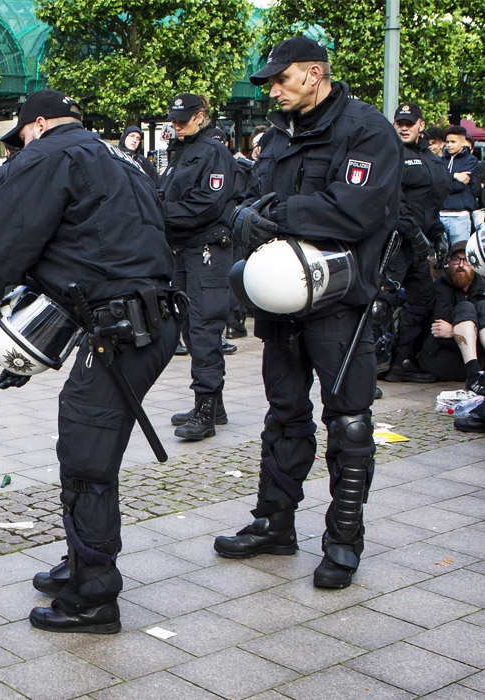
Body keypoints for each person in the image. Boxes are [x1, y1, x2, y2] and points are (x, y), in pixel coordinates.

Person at [0, 89, 180, 634]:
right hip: (146, 317)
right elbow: (91, 254)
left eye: (20, 139)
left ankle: (94, 595)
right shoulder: (117, 157)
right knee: (84, 439)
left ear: (36, 125)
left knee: (86, 457)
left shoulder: (48, 155)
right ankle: (81, 561)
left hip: (121, 329)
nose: (18, 150)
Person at [214, 37, 400, 590]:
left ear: (314, 74)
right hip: (281, 300)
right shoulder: (277, 135)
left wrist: (277, 213)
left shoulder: (365, 130)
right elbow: (248, 200)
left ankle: (343, 541)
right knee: (284, 414)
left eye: (281, 79)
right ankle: (274, 521)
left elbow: (355, 209)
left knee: (347, 421)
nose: (274, 89)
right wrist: (247, 217)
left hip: (340, 302)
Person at [159, 93, 241, 441]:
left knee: (205, 327)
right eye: (173, 120)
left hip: (207, 248)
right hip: (185, 249)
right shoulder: (183, 152)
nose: (177, 125)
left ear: (201, 116)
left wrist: (158, 213)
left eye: (183, 119)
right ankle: (211, 405)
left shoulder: (213, 151)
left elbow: (206, 203)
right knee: (191, 327)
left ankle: (206, 410)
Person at [381, 102, 450, 384]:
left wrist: (437, 232)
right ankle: (367, 369)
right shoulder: (390, 153)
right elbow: (394, 201)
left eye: (410, 123)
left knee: (421, 300)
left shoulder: (430, 157)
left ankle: (402, 362)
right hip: (395, 243)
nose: (405, 127)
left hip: (420, 245)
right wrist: (415, 234)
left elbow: (428, 204)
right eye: (400, 123)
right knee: (379, 305)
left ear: (421, 124)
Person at [417, 241, 485, 386]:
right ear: (449, 262)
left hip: (477, 359)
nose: (461, 265)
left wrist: (453, 330)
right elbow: (439, 331)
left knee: (482, 307)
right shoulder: (440, 287)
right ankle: (474, 376)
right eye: (456, 260)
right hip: (442, 359)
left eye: (466, 260)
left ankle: (475, 374)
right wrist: (471, 332)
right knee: (465, 307)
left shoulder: (481, 284)